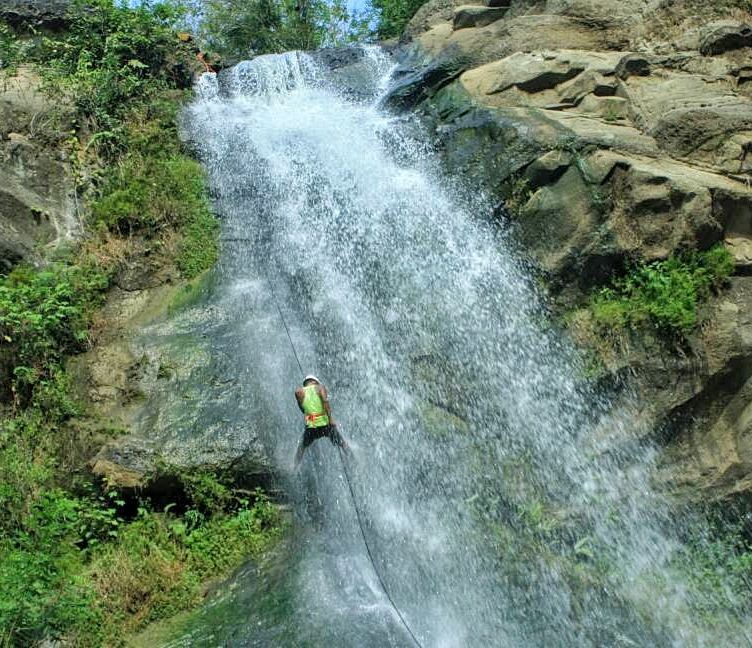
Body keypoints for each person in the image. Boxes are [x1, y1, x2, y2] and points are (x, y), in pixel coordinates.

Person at [294, 375, 349, 467]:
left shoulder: (299, 392)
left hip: (311, 427)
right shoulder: (320, 388)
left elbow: (302, 410)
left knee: (301, 447)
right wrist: (331, 419)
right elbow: (325, 402)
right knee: (343, 444)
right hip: (326, 425)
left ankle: (294, 467)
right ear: (316, 381)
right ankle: (352, 459)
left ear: (305, 383)